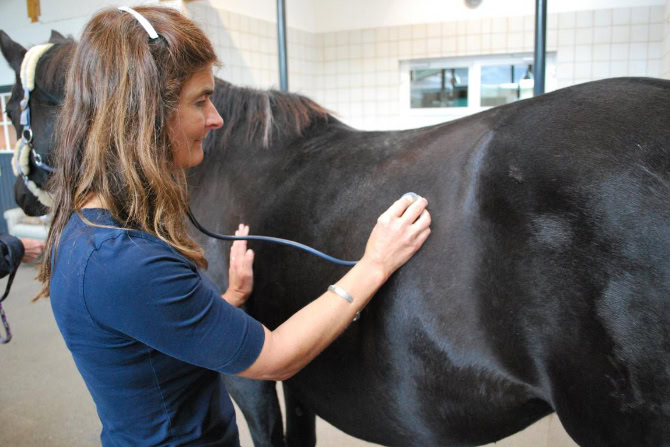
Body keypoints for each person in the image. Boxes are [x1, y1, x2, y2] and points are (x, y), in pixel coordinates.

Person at [36, 6, 431, 446]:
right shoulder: (125, 261)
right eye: (200, 100)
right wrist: (375, 264)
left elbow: (160, 334)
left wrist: (231, 298)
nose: (217, 118)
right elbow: (276, 358)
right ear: (144, 114)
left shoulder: (90, 230)